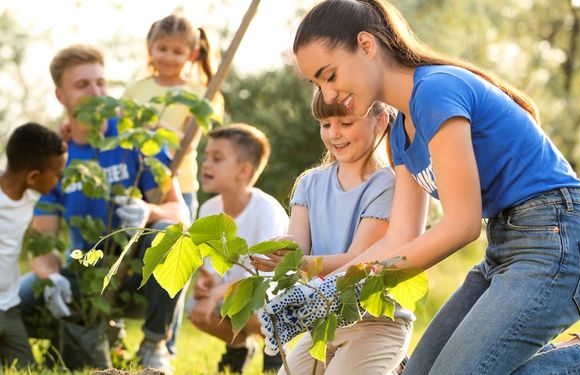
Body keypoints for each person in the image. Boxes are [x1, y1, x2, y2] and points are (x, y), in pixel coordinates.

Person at [275, 0, 580, 374]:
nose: (328, 95)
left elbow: (461, 226)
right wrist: (326, 289)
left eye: (329, 76)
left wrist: (343, 288)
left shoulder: (434, 91)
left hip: (555, 246)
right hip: (505, 249)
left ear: (366, 46)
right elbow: (397, 240)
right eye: (317, 84)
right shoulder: (399, 136)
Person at [18, 44, 189, 374]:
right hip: (86, 276)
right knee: (23, 295)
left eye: (100, 83)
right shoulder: (54, 160)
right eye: (83, 85)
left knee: (171, 236)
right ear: (60, 95)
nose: (96, 93)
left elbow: (180, 213)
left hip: (138, 276)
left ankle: (154, 346)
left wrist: (147, 211)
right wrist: (50, 277)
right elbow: (42, 242)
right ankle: (88, 341)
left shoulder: (137, 140)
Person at [252, 91, 413, 375]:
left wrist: (301, 263)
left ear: (380, 121)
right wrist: (280, 251)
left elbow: (358, 262)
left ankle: (396, 367)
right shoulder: (309, 183)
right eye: (326, 124)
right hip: (326, 321)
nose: (334, 133)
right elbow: (298, 247)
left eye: (346, 123)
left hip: (377, 322)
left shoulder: (388, 185)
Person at [187, 123, 289, 373]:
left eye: (217, 158)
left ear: (244, 171)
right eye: (206, 156)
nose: (206, 163)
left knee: (258, 312)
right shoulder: (208, 210)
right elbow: (212, 266)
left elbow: (264, 279)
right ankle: (239, 348)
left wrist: (217, 293)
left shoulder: (266, 209)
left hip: (273, 298)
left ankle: (276, 357)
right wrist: (208, 283)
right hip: (233, 295)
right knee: (196, 309)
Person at [122, 13, 225, 220]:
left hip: (180, 188)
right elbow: (120, 133)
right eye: (162, 49)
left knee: (173, 246)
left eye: (177, 51)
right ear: (151, 47)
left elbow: (187, 144)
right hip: (136, 186)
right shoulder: (135, 90)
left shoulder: (200, 95)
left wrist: (155, 127)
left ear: (192, 54)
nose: (168, 57)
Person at [0, 123, 66, 369]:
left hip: (10, 306)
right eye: (57, 174)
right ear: (33, 177)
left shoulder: (30, 195)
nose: (59, 180)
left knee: (26, 369)